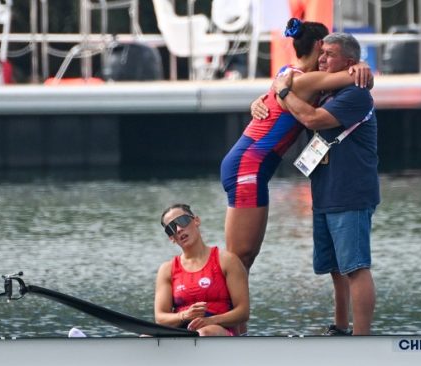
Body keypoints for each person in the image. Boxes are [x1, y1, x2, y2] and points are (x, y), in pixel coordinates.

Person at [220, 17, 371, 274]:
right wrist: (361, 65)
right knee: (240, 257)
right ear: (319, 44)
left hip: (248, 163)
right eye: (324, 50)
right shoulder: (304, 80)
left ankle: (227, 313)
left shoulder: (286, 73)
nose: (325, 56)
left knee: (244, 257)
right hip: (250, 165)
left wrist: (259, 99)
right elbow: (360, 78)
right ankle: (217, 312)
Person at [272, 33, 379, 336]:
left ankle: (362, 338)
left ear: (348, 62)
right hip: (326, 191)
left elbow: (313, 119)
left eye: (329, 54)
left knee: (355, 268)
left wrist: (283, 93)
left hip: (351, 192)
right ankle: (341, 328)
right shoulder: (329, 89)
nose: (321, 59)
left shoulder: (355, 94)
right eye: (321, 54)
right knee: (335, 268)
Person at [155, 203, 249, 336]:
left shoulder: (227, 260)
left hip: (218, 330)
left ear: (196, 221)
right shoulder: (167, 270)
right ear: (171, 238)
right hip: (182, 330)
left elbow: (243, 312)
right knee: (145, 338)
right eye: (171, 228)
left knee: (203, 333)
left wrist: (211, 320)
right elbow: (160, 318)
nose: (179, 229)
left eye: (182, 221)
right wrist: (184, 315)